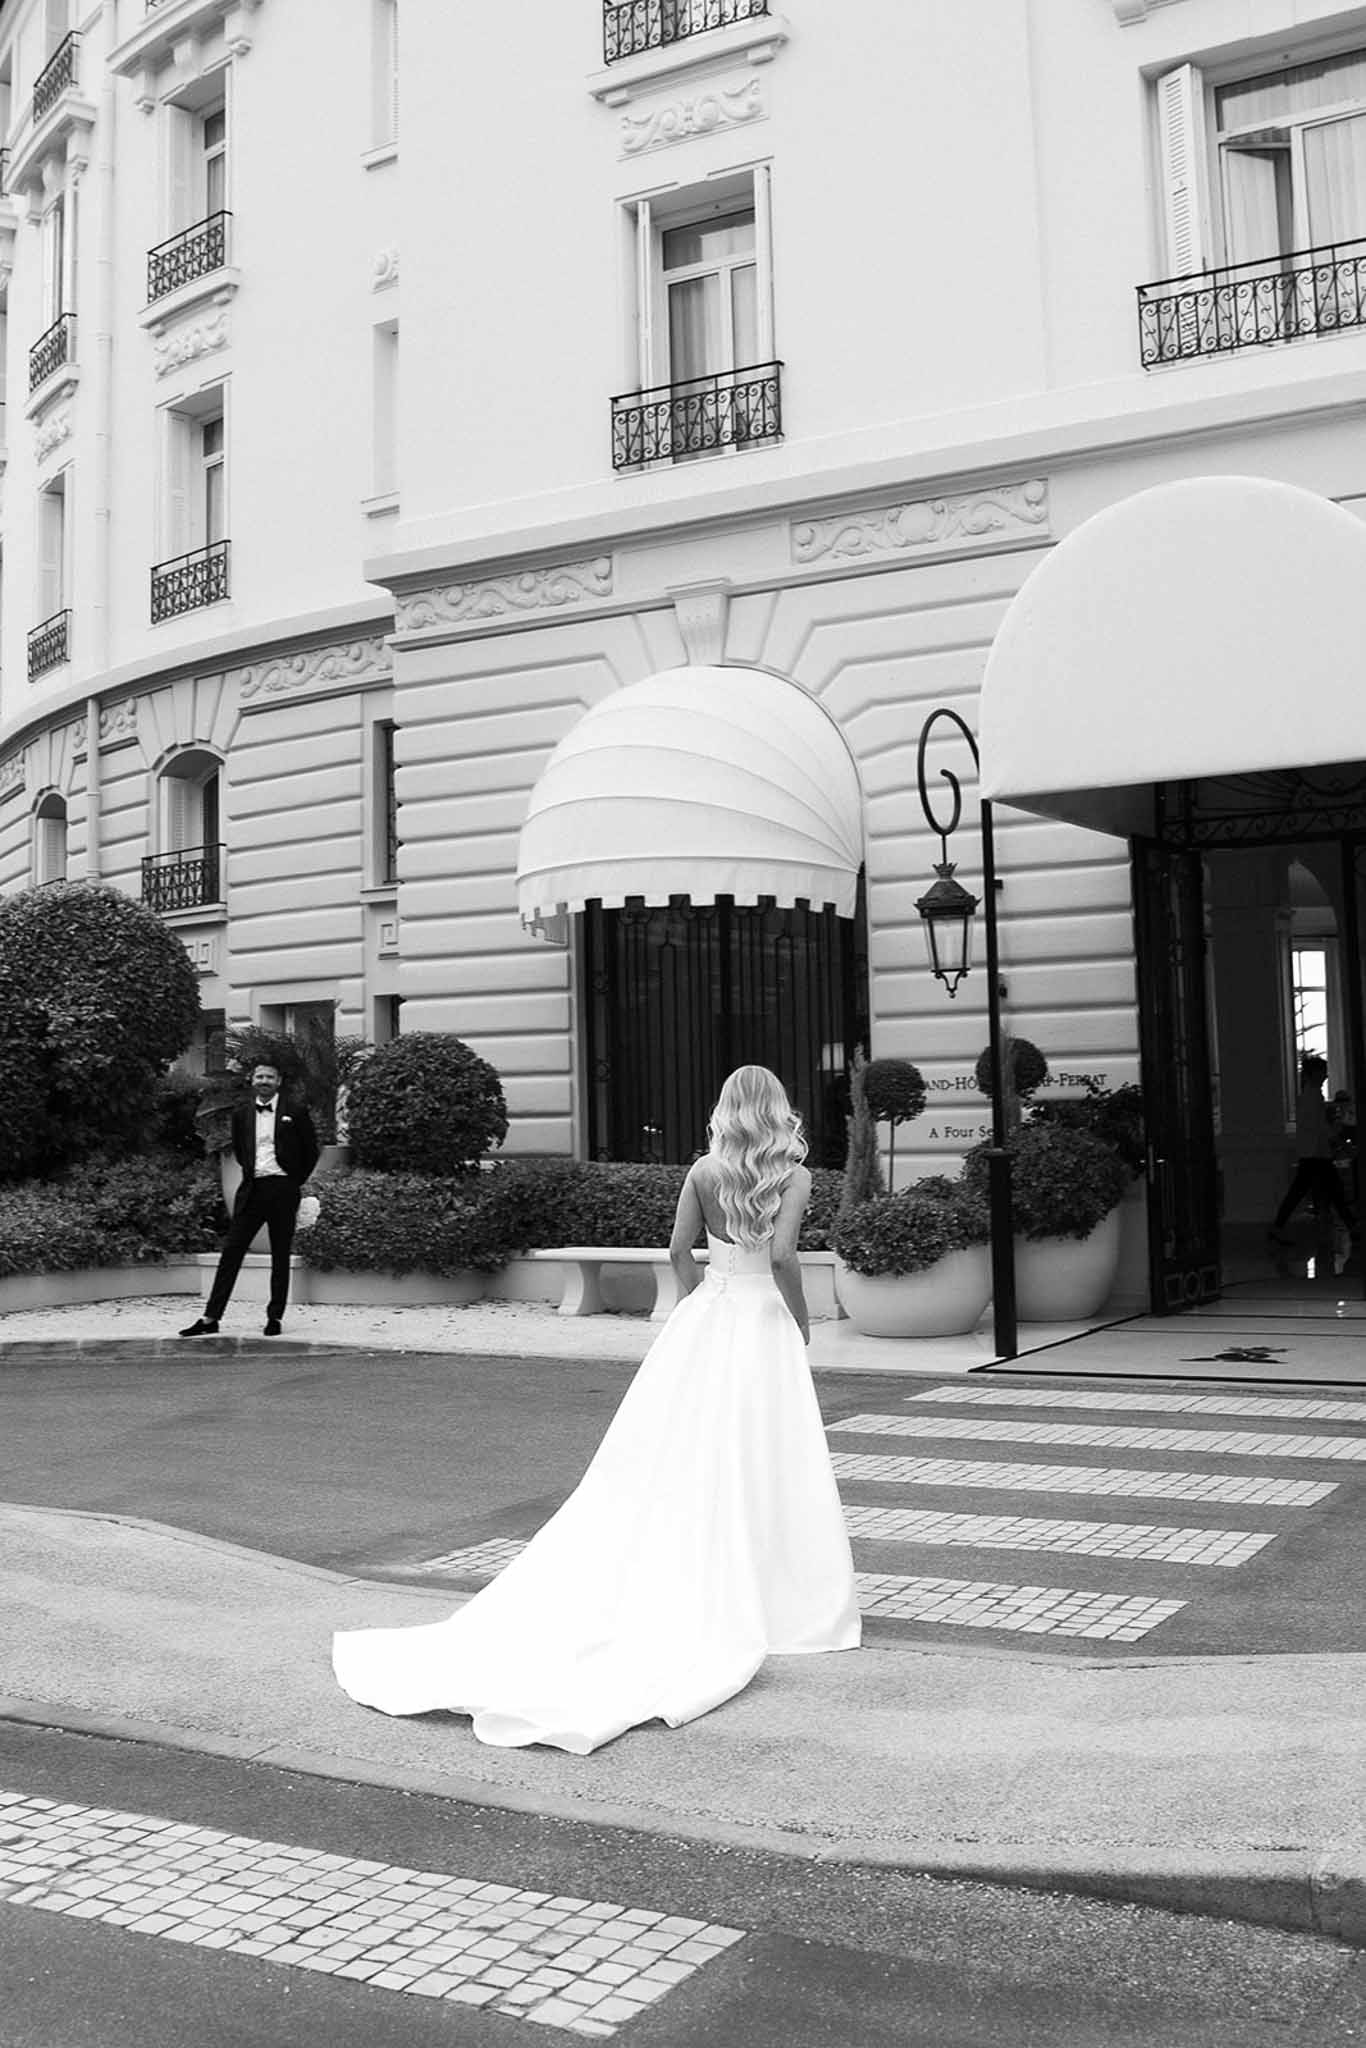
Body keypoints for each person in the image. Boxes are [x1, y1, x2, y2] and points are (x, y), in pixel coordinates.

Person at [332, 1064, 860, 1754]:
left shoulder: (703, 1169)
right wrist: (800, 1321)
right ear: (778, 1109)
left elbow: (678, 1251)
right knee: (766, 1449)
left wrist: (704, 1296)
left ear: (726, 1108)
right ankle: (777, 1593)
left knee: (678, 1450)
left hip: (711, 1313)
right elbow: (785, 1256)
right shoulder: (794, 1174)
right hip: (762, 1317)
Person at [180, 1060, 319, 1337]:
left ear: (278, 1081)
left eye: (270, 1076)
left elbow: (311, 1151)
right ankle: (210, 1318)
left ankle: (274, 1317)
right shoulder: (242, 1114)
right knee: (231, 1252)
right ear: (252, 1080)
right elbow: (243, 1151)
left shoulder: (296, 1111)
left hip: (283, 1188)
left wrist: (293, 1180)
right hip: (252, 1189)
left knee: (280, 1254)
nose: (264, 1081)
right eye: (260, 1076)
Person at [1268, 1053, 1356, 1245]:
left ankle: (1277, 1228)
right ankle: (1352, 1227)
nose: (1325, 1076)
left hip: (1313, 1153)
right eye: (1323, 1072)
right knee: (1333, 1191)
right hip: (1316, 1154)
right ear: (1314, 1074)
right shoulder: (1312, 1097)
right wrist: (1338, 1140)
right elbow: (1320, 1127)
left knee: (1306, 1191)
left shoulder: (1309, 1095)